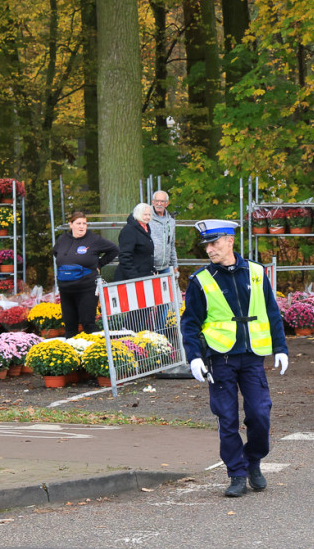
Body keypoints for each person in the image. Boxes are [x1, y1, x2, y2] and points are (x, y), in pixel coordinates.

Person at [181, 219, 289, 498]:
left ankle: (253, 461)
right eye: (206, 245)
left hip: (253, 356)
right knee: (227, 419)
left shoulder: (255, 272)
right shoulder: (201, 280)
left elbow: (271, 311)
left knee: (260, 414)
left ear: (230, 241)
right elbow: (190, 323)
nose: (209, 250)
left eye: (214, 243)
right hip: (221, 360)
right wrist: (194, 357)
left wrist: (280, 347)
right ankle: (237, 473)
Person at [52, 211, 118, 337]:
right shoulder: (62, 239)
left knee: (88, 324)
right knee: (70, 326)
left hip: (86, 288)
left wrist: (99, 264)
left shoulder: (94, 239)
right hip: (66, 289)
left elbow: (114, 250)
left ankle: (98, 352)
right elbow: (56, 253)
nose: (82, 226)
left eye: (84, 224)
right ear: (71, 225)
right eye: (78, 223)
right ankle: (71, 353)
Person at [149, 191, 178, 331]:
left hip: (165, 267)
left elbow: (172, 245)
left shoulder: (171, 221)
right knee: (148, 301)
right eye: (156, 201)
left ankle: (160, 332)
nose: (159, 204)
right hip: (150, 267)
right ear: (153, 202)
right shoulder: (147, 218)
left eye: (162, 201)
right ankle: (145, 333)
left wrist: (175, 265)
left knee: (164, 301)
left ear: (167, 203)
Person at [113, 203, 155, 281]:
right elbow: (124, 256)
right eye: (145, 214)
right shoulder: (129, 230)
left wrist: (152, 270)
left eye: (149, 215)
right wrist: (134, 277)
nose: (148, 217)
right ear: (138, 214)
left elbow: (145, 254)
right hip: (131, 278)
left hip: (144, 275)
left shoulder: (146, 228)